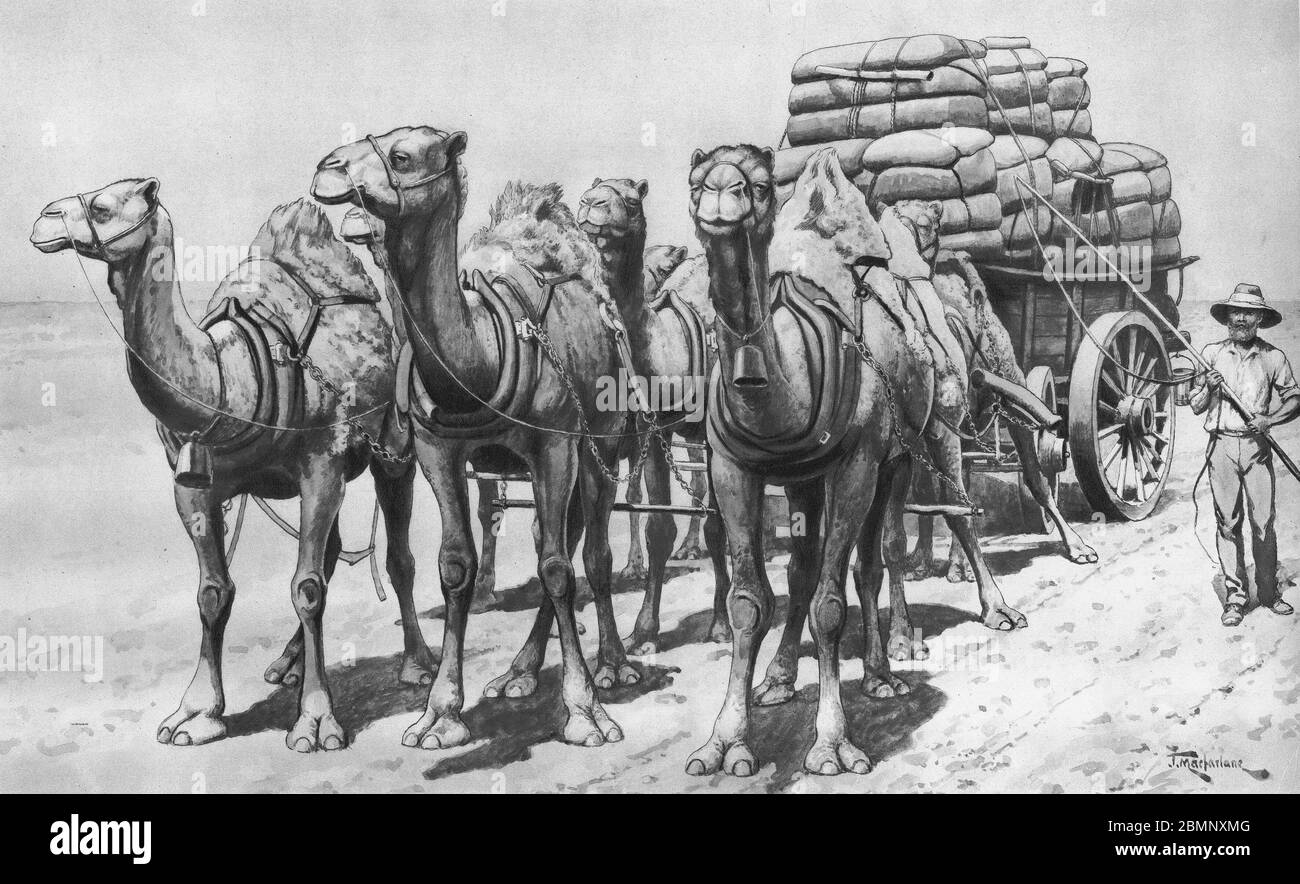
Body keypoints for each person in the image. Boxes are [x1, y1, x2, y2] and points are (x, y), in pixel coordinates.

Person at [1189, 283, 1300, 626]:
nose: (1240, 318)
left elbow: (1296, 399)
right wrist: (1207, 386)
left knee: (1264, 523)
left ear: (1260, 319)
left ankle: (1268, 593)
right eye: (1236, 311)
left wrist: (1270, 419)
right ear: (1228, 317)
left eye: (1248, 312)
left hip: (1256, 450)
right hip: (1221, 446)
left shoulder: (1273, 357)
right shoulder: (1209, 354)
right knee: (1227, 523)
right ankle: (1236, 599)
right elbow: (1194, 405)